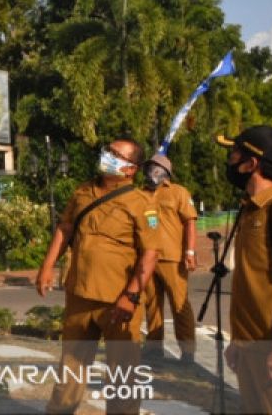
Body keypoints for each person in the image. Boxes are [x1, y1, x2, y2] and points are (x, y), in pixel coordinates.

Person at [36, 138, 161, 414]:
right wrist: (47, 266)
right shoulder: (82, 192)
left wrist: (131, 296)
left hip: (118, 300)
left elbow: (149, 255)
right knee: (71, 363)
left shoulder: (142, 202)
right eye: (108, 151)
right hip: (80, 294)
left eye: (116, 154)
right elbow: (65, 230)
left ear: (131, 169)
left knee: (122, 370)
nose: (107, 156)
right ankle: (60, 410)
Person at [219, 126, 272, 414]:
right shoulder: (252, 209)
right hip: (250, 349)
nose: (230, 159)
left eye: (234, 152)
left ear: (251, 164)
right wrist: (238, 341)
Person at [138, 153, 197, 363]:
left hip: (172, 257)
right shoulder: (139, 194)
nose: (151, 170)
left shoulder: (178, 192)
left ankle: (188, 351)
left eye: (155, 167)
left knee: (180, 305)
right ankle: (154, 349)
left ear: (165, 172)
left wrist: (190, 251)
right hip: (146, 258)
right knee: (152, 305)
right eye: (149, 166)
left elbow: (190, 222)